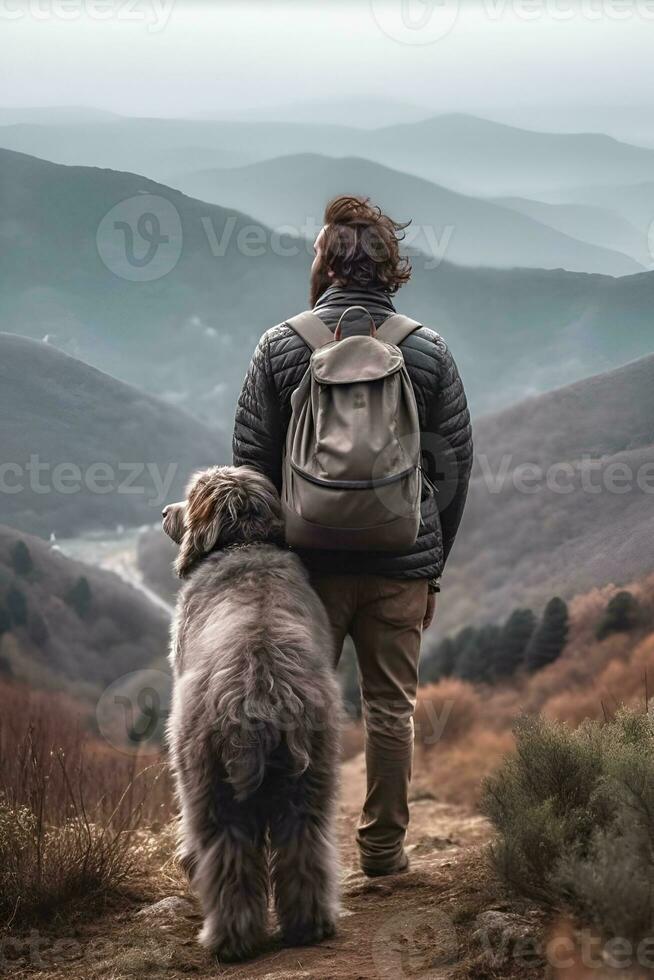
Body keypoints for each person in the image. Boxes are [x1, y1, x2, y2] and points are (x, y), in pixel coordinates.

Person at [232, 195, 472, 877]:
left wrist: (264, 570)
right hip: (401, 562)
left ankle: (294, 858)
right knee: (391, 711)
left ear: (325, 262)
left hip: (306, 571)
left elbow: (251, 466)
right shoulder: (426, 351)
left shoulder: (281, 346)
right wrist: (432, 569)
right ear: (389, 266)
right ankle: (384, 853)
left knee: (293, 716)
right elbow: (451, 469)